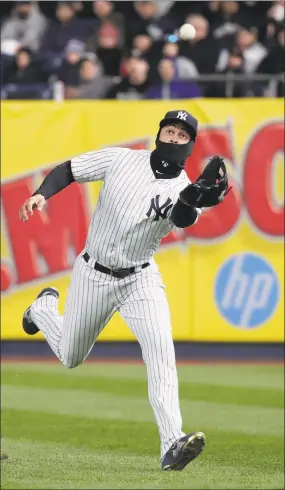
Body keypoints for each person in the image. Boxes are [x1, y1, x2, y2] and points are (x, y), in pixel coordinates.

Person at [19, 110, 229, 471]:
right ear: (159, 133)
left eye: (182, 135)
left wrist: (193, 197)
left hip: (140, 279)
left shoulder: (185, 192)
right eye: (169, 130)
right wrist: (41, 194)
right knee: (70, 356)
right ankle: (42, 311)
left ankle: (172, 443)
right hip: (93, 273)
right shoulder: (121, 159)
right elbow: (69, 169)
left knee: (161, 351)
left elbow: (181, 217)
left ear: (190, 145)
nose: (174, 138)